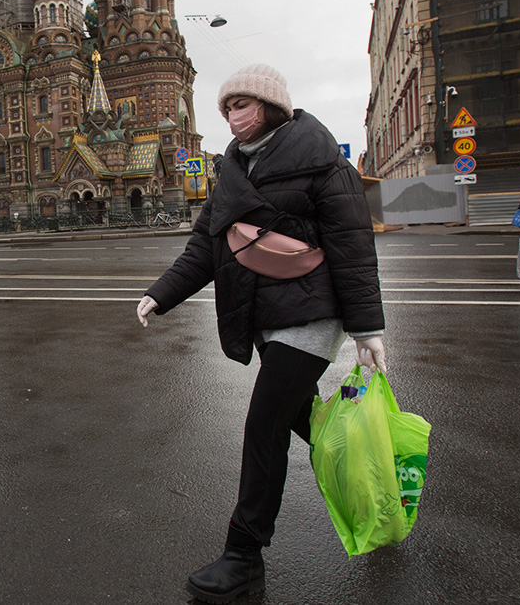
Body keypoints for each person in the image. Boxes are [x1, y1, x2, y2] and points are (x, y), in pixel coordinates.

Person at [135, 64, 385, 603]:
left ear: (271, 106)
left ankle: (243, 558)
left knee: (262, 429)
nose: (232, 117)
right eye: (226, 108)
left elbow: (353, 245)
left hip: (313, 318)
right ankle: (374, 488)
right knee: (311, 424)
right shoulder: (230, 170)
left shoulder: (320, 158)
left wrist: (366, 328)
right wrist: (162, 293)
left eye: (242, 105)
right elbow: (206, 244)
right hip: (267, 320)